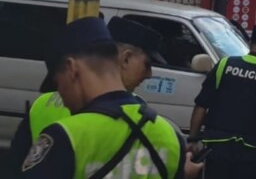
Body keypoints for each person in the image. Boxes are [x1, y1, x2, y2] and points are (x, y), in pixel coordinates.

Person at [19, 17, 202, 178]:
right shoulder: (169, 135)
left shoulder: (61, 133)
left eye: (57, 83)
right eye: (147, 65)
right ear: (124, 59)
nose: (60, 93)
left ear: (71, 68)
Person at [189, 25, 256, 178]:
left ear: (251, 43)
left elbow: (201, 105)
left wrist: (192, 139)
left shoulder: (225, 65)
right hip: (252, 150)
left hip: (217, 146)